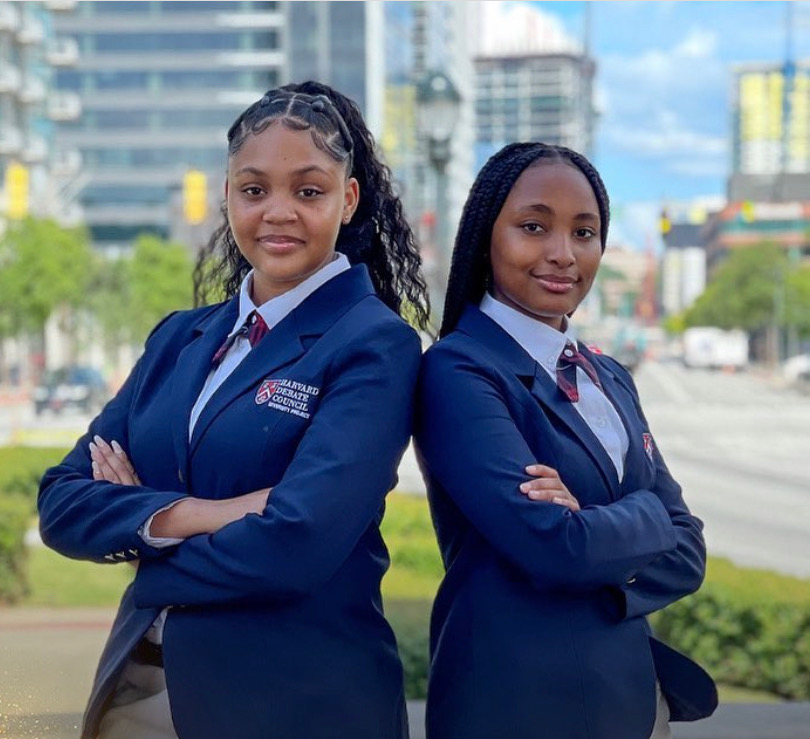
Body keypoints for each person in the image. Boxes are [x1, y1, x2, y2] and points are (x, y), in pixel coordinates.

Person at [38, 80, 430, 739]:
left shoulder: (375, 343)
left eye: (308, 191)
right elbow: (61, 502)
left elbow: (297, 544)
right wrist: (203, 514)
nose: (278, 211)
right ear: (227, 196)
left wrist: (144, 545)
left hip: (294, 705)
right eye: (254, 190)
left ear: (348, 198)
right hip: (137, 698)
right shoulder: (178, 337)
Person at [413, 142, 717, 739]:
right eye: (533, 226)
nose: (562, 254)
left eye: (585, 232)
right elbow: (555, 546)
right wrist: (646, 516)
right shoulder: (459, 371)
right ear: (485, 236)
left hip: (627, 702)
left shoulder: (609, 376)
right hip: (512, 705)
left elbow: (690, 552)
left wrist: (594, 529)